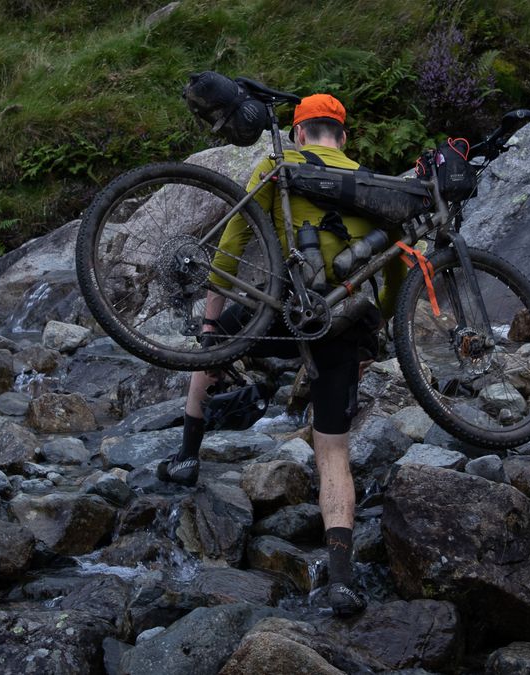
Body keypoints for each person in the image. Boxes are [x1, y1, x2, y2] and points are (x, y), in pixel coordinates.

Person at [156, 93, 404, 616]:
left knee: (216, 340)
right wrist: (373, 329)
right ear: (344, 137)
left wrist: (208, 322)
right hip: (340, 323)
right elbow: (396, 266)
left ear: (297, 133)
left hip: (285, 313)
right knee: (332, 451)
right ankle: (341, 579)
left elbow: (231, 247)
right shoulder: (371, 182)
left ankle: (186, 456)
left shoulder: (276, 167)